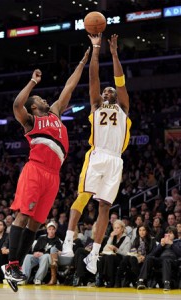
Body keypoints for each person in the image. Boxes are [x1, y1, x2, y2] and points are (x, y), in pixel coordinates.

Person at [2, 47, 90, 283]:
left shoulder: (55, 113)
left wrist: (82, 63)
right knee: (22, 216)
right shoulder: (31, 120)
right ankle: (10, 265)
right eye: (40, 99)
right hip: (36, 169)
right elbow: (16, 105)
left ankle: (15, 268)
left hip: (54, 175)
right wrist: (32, 82)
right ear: (34, 106)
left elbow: (68, 88)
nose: (45, 99)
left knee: (36, 222)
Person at [61, 33, 131, 276]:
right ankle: (68, 240)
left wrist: (114, 54)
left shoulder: (123, 107)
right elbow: (94, 78)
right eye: (106, 91)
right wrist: (96, 48)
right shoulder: (95, 105)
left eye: (111, 91)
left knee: (104, 208)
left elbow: (120, 81)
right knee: (83, 194)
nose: (108, 91)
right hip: (98, 154)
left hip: (115, 160)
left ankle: (94, 254)